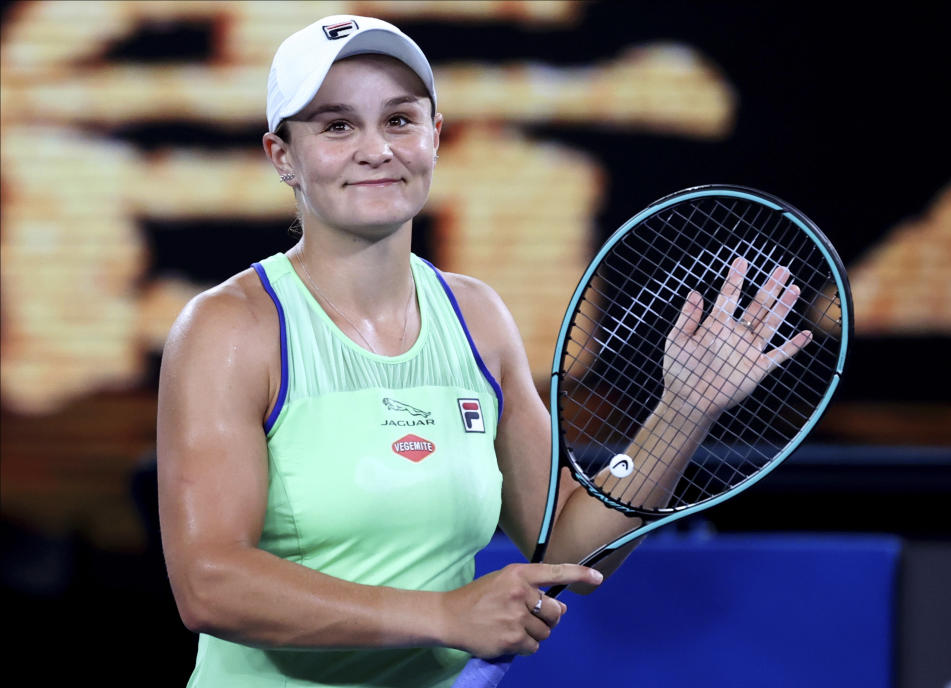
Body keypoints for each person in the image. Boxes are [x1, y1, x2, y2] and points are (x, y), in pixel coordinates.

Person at [157, 14, 809, 688]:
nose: (377, 148)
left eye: (401, 120)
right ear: (281, 156)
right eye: (336, 126)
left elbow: (565, 545)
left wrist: (681, 410)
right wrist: (440, 615)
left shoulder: (476, 317)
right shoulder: (229, 329)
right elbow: (210, 584)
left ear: (436, 137)